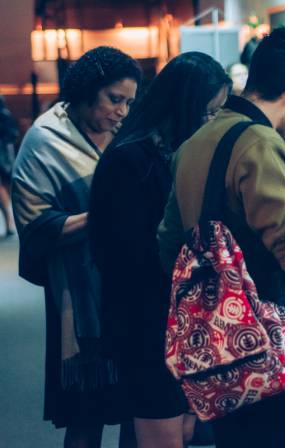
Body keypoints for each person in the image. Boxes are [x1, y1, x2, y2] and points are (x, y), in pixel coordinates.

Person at [157, 27, 285, 448]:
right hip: (265, 344)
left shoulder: (195, 142)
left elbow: (168, 242)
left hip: (215, 344)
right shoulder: (260, 144)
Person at [89, 52, 232, 448]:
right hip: (147, 322)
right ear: (183, 105)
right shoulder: (131, 158)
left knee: (182, 431)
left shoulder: (172, 152)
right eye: (207, 112)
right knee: (160, 433)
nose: (209, 123)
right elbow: (129, 256)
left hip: (177, 319)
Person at [11, 46, 141, 448]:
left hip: (128, 288)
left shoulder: (125, 134)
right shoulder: (45, 139)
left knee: (136, 408)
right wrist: (102, 217)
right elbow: (34, 224)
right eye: (114, 99)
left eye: (129, 102)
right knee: (87, 415)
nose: (121, 111)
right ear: (86, 92)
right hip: (78, 295)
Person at [0, 94, 18, 236]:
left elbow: (12, 134)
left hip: (3, 156)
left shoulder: (3, 116)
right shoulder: (6, 114)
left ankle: (10, 222)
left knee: (3, 189)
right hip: (5, 156)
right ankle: (9, 222)